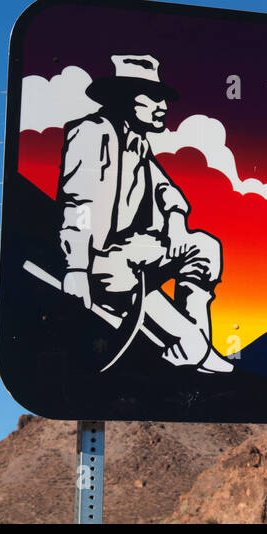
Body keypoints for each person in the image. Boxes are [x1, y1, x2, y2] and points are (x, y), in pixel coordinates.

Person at [57, 54, 232, 373]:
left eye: (163, 97)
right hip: (103, 259)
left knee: (204, 246)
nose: (163, 105)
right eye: (153, 97)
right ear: (123, 98)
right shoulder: (92, 134)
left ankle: (194, 346)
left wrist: (177, 225)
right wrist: (76, 270)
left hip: (139, 251)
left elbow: (169, 192)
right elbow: (78, 204)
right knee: (125, 273)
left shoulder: (139, 144)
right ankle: (193, 347)